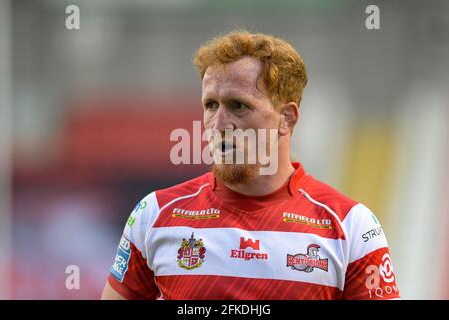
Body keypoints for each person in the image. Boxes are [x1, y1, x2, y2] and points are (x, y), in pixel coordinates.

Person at [101, 30, 400, 300]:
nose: (218, 124)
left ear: (287, 118)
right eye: (210, 105)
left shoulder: (351, 226)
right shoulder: (154, 215)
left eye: (238, 106)